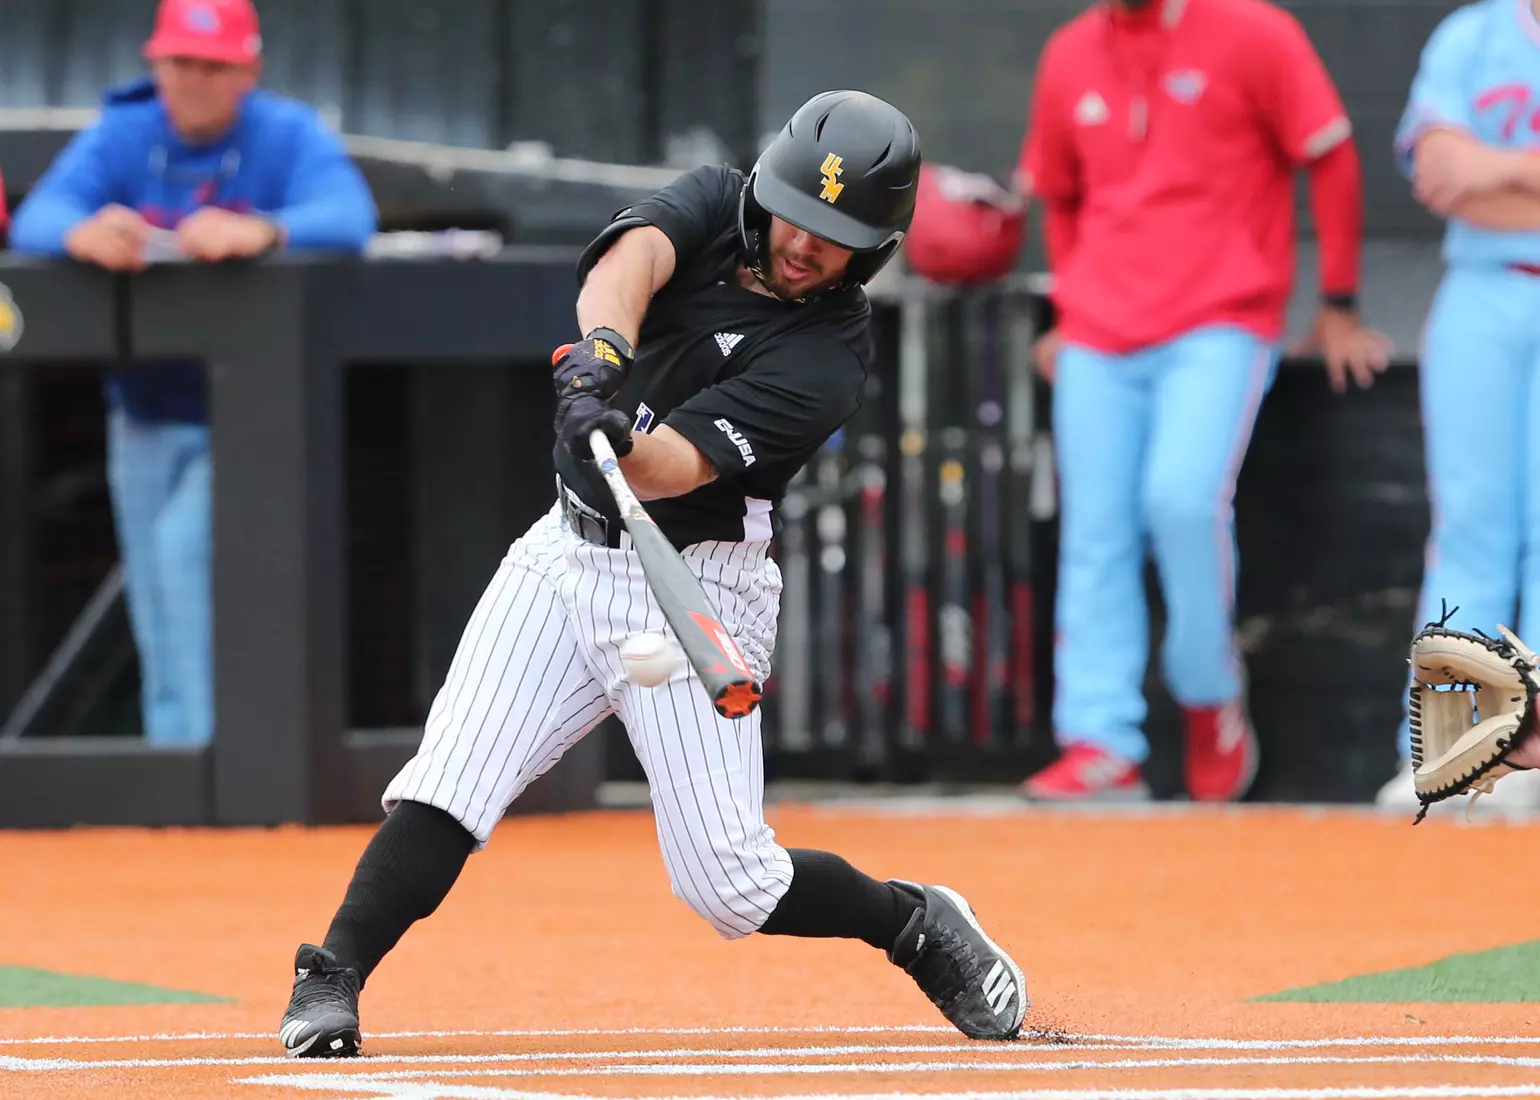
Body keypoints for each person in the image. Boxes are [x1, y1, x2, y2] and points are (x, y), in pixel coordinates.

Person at [276, 89, 1029, 1059]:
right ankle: (330, 972)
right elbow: (630, 262)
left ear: (875, 249)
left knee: (731, 885)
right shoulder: (717, 201)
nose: (805, 242)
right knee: (450, 781)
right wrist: (601, 357)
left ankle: (910, 920)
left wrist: (619, 438)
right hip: (565, 553)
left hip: (699, 580)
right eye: (796, 211)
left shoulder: (827, 357)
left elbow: (676, 465)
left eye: (835, 235)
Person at [1014, 0, 1394, 803]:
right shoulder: (1069, 51)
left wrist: (1340, 303)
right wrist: (1074, 310)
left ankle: (1208, 693)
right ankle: (1100, 738)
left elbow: (1329, 155)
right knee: (1095, 532)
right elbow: (1061, 193)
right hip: (1099, 334)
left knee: (1182, 503)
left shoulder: (1257, 31)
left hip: (1220, 320)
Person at [8, 0, 377, 747]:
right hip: (144, 409)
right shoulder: (125, 131)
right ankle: (178, 769)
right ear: (156, 64)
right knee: (151, 583)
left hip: (251, 416)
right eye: (181, 63)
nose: (195, 80)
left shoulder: (285, 130)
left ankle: (222, 763)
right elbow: (37, 218)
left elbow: (349, 215)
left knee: (183, 554)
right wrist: (85, 231)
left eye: (214, 65)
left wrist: (265, 229)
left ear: (249, 69)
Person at [1375, 0, 1540, 812]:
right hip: (1485, 289)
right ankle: (1450, 752)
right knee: (1469, 525)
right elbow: (1442, 175)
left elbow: (1476, 174)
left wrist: (1498, 167)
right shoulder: (1474, 36)